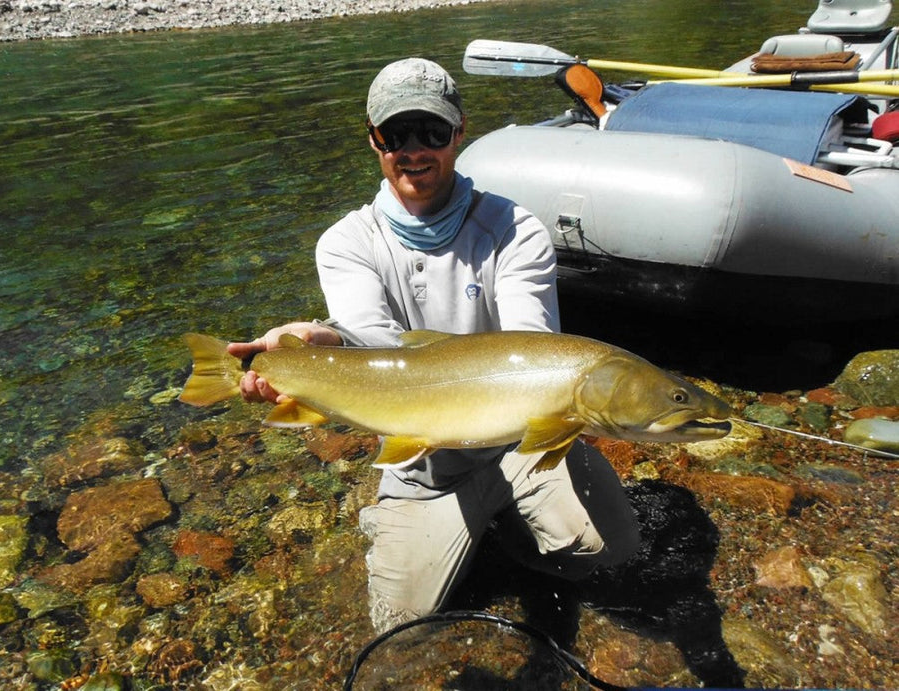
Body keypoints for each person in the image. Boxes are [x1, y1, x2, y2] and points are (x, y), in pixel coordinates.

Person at [228, 58, 640, 634]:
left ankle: (510, 535)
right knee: (403, 627)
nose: (414, 150)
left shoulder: (514, 230)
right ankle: (420, 523)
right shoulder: (346, 243)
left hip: (517, 447)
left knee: (611, 551)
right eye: (396, 135)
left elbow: (534, 347)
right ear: (374, 140)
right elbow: (368, 339)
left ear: (459, 133)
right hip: (422, 470)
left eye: (432, 132)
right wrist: (319, 341)